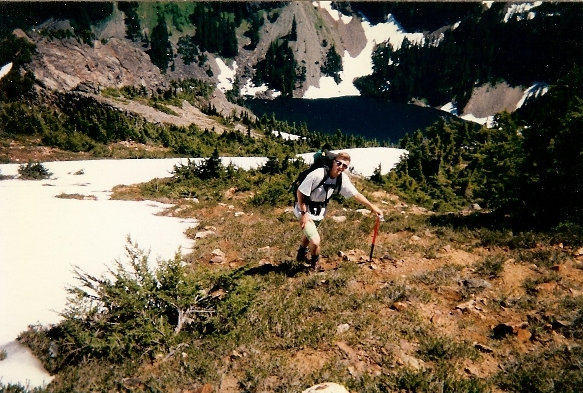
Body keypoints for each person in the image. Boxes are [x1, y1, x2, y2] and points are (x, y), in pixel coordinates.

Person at [294, 151, 383, 270]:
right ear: (333, 162)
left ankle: (300, 255)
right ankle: (315, 263)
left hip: (320, 211)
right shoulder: (318, 174)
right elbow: (300, 192)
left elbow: (355, 194)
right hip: (303, 208)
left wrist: (372, 206)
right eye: (339, 163)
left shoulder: (342, 178)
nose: (341, 167)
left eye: (344, 166)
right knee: (315, 241)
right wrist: (304, 214)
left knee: (310, 233)